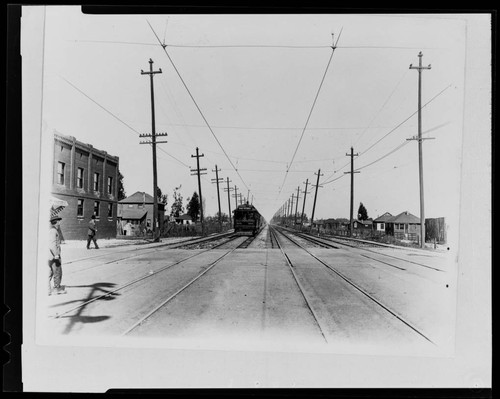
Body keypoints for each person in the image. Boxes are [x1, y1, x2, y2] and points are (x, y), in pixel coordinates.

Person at [49, 215, 66, 295]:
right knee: (57, 271)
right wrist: (56, 254)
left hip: (51, 255)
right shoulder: (53, 231)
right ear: (56, 222)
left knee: (51, 272)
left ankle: (48, 289)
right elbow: (52, 244)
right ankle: (56, 288)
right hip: (54, 256)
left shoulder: (53, 230)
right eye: (59, 221)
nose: (59, 223)